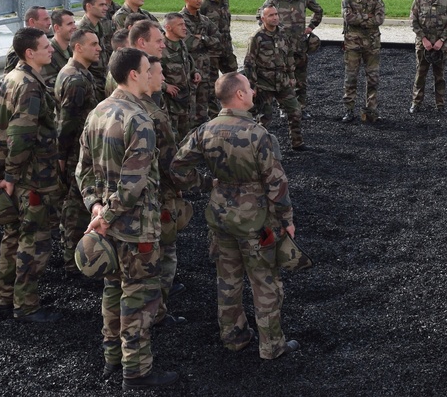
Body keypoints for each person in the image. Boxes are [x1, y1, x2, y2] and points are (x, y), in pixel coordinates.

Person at [171, 72, 300, 360]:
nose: (253, 91)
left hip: (219, 215)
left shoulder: (204, 130)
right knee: (265, 281)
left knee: (227, 280)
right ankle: (271, 345)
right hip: (255, 221)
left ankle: (233, 336)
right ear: (239, 95)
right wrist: (286, 220)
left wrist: (207, 183)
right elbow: (276, 184)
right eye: (249, 88)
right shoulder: (258, 134)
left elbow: (177, 168)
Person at [77, 47, 179, 389]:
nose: (154, 74)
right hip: (136, 228)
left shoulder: (98, 112)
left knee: (111, 289)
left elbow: (83, 171)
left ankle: (111, 357)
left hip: (107, 226)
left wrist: (95, 207)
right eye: (149, 68)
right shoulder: (139, 119)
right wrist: (107, 215)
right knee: (138, 297)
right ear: (134, 74)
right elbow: (133, 183)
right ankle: (136, 372)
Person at [0, 27, 62, 323]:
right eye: (46, 47)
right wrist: (11, 175)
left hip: (19, 173)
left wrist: (4, 172)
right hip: (32, 176)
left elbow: (2, 130)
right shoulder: (30, 86)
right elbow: (20, 134)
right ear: (29, 53)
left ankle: (6, 294)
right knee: (33, 240)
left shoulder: (12, 77)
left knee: (13, 236)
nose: (51, 50)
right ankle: (27, 305)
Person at [135, 56, 188, 327]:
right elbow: (170, 163)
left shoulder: (114, 107)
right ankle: (158, 312)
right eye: (158, 73)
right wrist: (186, 185)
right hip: (156, 195)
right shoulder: (154, 115)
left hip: (127, 201)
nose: (162, 78)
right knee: (164, 253)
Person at [54, 27, 102, 275]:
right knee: (75, 205)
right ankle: (72, 258)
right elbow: (66, 123)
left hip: (78, 148)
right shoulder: (76, 79)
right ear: (78, 47)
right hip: (75, 151)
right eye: (93, 44)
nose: (99, 48)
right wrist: (62, 158)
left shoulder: (77, 73)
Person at [261, 0, 323, 115]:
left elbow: (319, 11)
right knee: (283, 78)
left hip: (299, 46)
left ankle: (300, 108)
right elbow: (261, 15)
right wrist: (270, 31)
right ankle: (284, 108)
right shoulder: (275, 0)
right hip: (281, 48)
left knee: (300, 79)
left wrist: (311, 27)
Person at [244, 5, 304, 151]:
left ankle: (297, 143)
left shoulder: (283, 34)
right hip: (265, 83)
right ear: (263, 18)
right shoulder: (256, 38)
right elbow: (249, 63)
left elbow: (289, 56)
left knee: (295, 111)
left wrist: (291, 76)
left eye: (276, 14)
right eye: (271, 15)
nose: (275, 17)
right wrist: (253, 86)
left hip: (283, 81)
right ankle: (258, 147)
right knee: (265, 118)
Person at [341, 0, 386, 123]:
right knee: (351, 77)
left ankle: (371, 110)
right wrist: (368, 17)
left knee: (373, 78)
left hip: (372, 45)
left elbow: (379, 19)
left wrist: (359, 18)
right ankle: (349, 110)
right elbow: (348, 18)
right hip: (353, 45)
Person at [409, 0, 447, 114]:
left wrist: (441, 40)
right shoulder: (419, 0)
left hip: (441, 47)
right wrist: (424, 39)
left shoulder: (446, 1)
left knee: (439, 76)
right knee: (420, 75)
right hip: (423, 46)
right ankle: (416, 104)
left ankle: (440, 105)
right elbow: (413, 22)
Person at [180, 0, 220, 124]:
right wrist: (203, 41)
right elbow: (188, 43)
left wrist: (202, 38)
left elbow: (217, 40)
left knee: (203, 111)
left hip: (206, 72)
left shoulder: (204, 20)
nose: (199, 1)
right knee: (189, 111)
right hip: (189, 73)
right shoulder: (180, 21)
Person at [161, 12, 201, 139]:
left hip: (186, 99)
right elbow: (149, 74)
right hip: (171, 104)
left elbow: (187, 61)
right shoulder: (161, 48)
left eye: (184, 24)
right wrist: (164, 86)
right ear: (168, 27)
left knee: (187, 135)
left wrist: (195, 72)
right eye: (180, 25)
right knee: (172, 137)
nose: (185, 28)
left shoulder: (181, 44)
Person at [201, 0, 238, 97]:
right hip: (212, 51)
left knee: (233, 78)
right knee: (212, 84)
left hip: (226, 47)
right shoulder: (203, 5)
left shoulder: (225, 0)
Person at [77, 0, 115, 99]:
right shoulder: (83, 32)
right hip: (93, 84)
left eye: (105, 5)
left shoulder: (101, 26)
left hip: (103, 81)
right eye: (101, 5)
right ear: (89, 6)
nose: (106, 8)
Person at [5, 6, 51, 73]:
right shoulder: (19, 50)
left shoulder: (42, 42)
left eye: (49, 19)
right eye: (45, 19)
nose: (49, 23)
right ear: (32, 22)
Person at [41, 8, 76, 93]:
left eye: (74, 23)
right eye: (69, 24)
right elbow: (50, 87)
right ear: (57, 28)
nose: (74, 27)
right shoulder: (48, 54)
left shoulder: (71, 50)